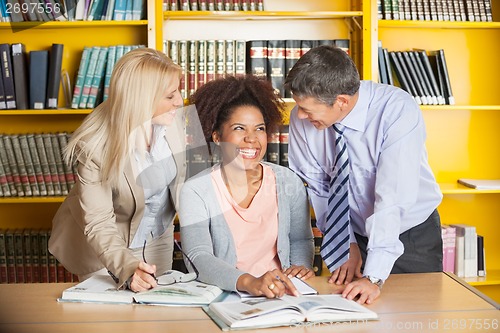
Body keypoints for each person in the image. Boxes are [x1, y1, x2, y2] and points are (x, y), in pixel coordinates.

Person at [284, 45, 443, 304]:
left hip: (410, 233)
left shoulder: (396, 110)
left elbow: (392, 197)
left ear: (342, 101)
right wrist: (346, 242)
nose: (300, 115)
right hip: (352, 232)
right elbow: (320, 188)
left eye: (308, 109)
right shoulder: (302, 118)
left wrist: (374, 277)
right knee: (353, 316)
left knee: (415, 316)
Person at [48, 48, 188, 292]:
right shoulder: (94, 146)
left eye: (178, 91)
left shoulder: (175, 118)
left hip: (158, 236)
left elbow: (190, 179)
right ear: (143, 99)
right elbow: (99, 222)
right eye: (170, 95)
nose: (180, 101)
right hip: (106, 247)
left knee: (159, 315)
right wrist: (127, 267)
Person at [178, 75, 315, 298]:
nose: (252, 139)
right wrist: (250, 282)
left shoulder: (288, 181)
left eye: (259, 128)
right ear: (217, 136)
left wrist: (301, 268)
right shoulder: (196, 190)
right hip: (224, 297)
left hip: (282, 296)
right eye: (240, 128)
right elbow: (198, 256)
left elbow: (300, 239)